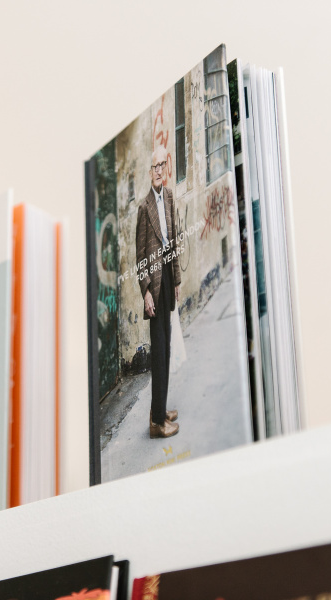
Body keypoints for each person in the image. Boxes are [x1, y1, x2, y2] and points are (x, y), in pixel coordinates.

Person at [135, 145, 181, 439]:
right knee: (159, 351)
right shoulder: (144, 207)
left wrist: (176, 281)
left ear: (166, 168)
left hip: (167, 279)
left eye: (162, 165)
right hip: (154, 284)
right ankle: (156, 424)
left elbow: (173, 242)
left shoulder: (170, 197)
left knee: (166, 349)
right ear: (149, 171)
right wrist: (146, 293)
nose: (159, 170)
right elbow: (139, 256)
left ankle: (160, 410)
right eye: (155, 166)